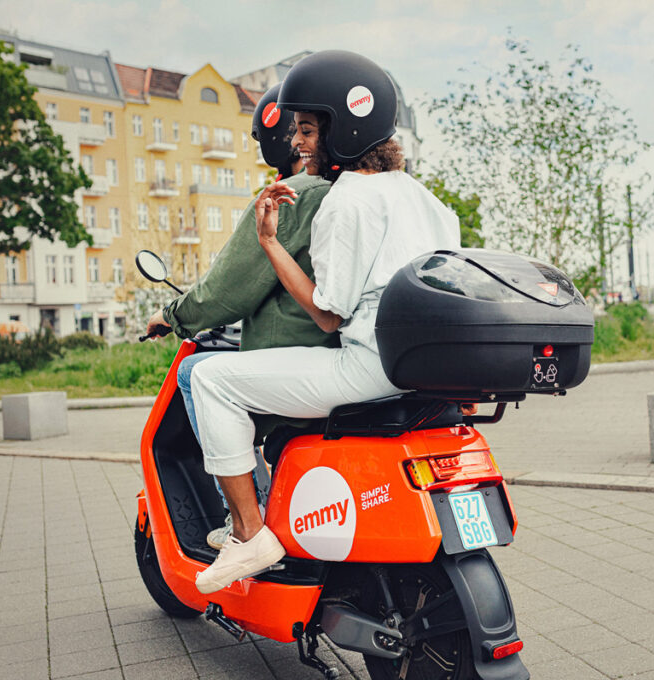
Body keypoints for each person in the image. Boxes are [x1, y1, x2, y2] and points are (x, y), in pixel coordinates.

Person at [191, 50, 460, 593]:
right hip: (424, 368)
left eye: (309, 130)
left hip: (367, 367)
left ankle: (249, 532)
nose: (298, 143)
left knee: (209, 379)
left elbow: (327, 312)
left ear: (344, 130)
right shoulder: (428, 200)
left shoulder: (347, 200)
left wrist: (269, 242)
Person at [145, 83, 338, 548]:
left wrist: (172, 316)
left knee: (199, 376)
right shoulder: (343, 192)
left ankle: (245, 522)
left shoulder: (291, 195)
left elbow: (227, 290)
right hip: (341, 354)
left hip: (298, 357)